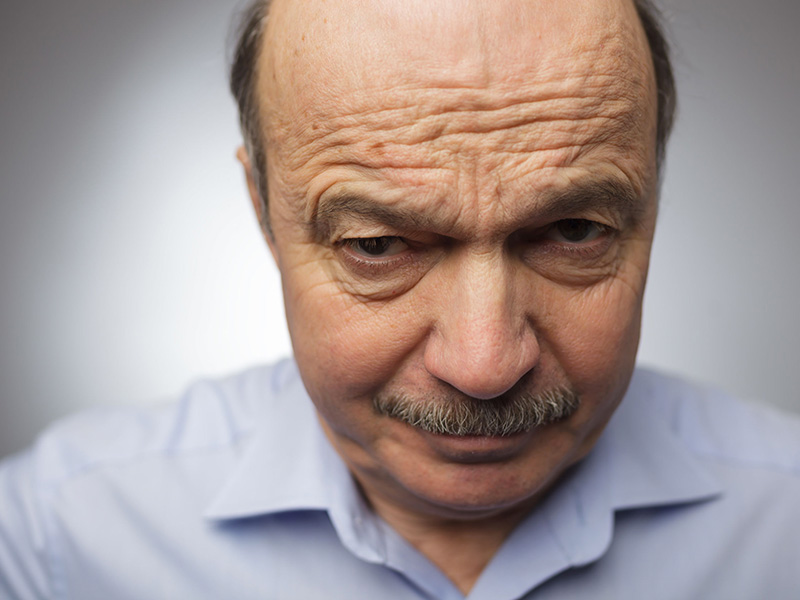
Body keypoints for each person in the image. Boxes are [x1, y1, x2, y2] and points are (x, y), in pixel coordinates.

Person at [1, 0, 798, 598]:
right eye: (378, 246)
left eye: (573, 231)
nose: (485, 365)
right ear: (263, 211)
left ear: (651, 206)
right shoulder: (54, 539)